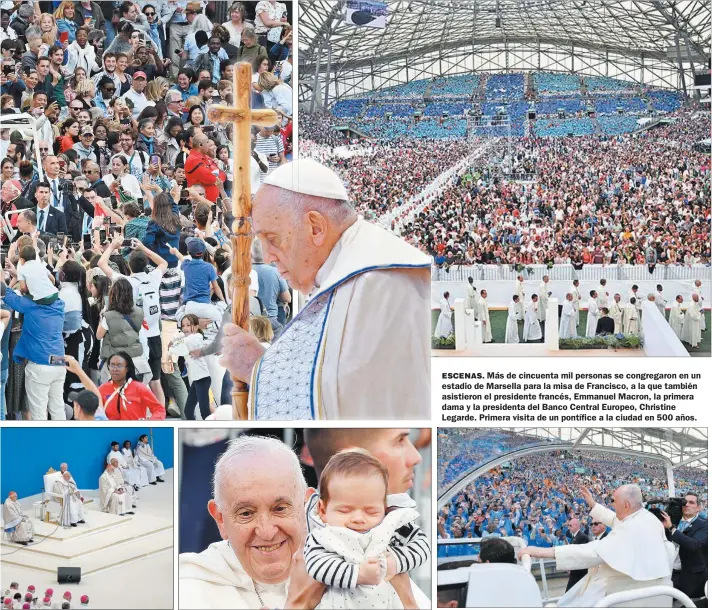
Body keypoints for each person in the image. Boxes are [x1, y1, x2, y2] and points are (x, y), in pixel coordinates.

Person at [219, 159, 430, 420]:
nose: (269, 256)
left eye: (272, 239)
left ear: (316, 228)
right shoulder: (343, 272)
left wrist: (258, 370)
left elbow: (361, 404)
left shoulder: (379, 281)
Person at [304, 449, 429, 608]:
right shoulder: (322, 536)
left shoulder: (392, 525)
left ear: (384, 508)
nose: (358, 519)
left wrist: (396, 561)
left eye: (371, 511)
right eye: (345, 510)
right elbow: (316, 566)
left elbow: (422, 545)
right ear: (322, 510)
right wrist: (358, 575)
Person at [518, 484, 674, 607]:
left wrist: (540, 552)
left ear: (626, 505)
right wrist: (594, 505)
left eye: (614, 501)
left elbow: (593, 552)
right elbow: (616, 520)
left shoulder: (633, 527)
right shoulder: (645, 517)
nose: (612, 505)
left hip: (620, 592)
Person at [1, 276, 66, 421]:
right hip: (59, 361)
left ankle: (42, 443)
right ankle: (62, 441)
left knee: (38, 413)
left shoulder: (29, 305)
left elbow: (7, 294)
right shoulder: (59, 304)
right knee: (57, 408)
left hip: (40, 363)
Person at [662, 493, 707, 603]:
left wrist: (671, 528)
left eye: (692, 502)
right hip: (668, 571)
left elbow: (694, 545)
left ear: (699, 508)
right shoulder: (673, 521)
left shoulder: (704, 525)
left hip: (690, 576)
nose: (687, 505)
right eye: (684, 502)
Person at [99, 352, 166, 421]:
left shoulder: (139, 388)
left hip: (136, 431)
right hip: (110, 431)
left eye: (119, 366)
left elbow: (159, 409)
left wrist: (151, 422)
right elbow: (94, 412)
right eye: (112, 365)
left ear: (127, 369)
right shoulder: (102, 389)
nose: (115, 369)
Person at [564, 518, 589, 592]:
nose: (569, 527)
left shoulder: (581, 536)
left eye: (570, 525)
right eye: (568, 525)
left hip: (579, 571)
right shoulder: (577, 536)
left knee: (569, 593)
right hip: (577, 569)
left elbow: (575, 553)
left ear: (576, 526)